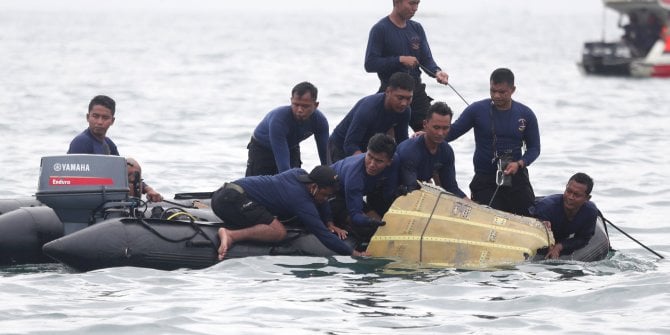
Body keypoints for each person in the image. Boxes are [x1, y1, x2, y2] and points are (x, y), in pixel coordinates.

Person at [212, 165, 367, 260]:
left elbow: (323, 202)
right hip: (229, 201)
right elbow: (322, 234)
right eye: (325, 194)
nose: (326, 199)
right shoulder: (300, 199)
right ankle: (230, 235)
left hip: (226, 193)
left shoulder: (299, 174)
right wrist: (353, 253)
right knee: (278, 231)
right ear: (313, 187)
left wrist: (329, 222)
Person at [446, 68, 540, 216]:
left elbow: (534, 148)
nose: (496, 96)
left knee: (530, 217)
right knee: (487, 217)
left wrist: (520, 163)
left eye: (502, 92)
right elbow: (450, 133)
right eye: (492, 91)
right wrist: (427, 133)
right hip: (485, 179)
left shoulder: (526, 114)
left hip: (515, 176)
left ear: (513, 90)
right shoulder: (476, 110)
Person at [364, 0, 449, 132]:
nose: (415, 8)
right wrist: (399, 60)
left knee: (432, 133)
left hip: (416, 91)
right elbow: (370, 64)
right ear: (396, 2)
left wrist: (437, 72)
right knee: (388, 143)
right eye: (411, 3)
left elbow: (427, 60)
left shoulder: (417, 28)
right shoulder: (380, 29)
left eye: (417, 4)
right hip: (391, 92)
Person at [67, 95, 163, 202]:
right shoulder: (81, 142)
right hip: (88, 199)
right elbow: (74, 181)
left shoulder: (108, 144)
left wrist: (148, 189)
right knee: (131, 164)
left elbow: (124, 173)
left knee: (130, 165)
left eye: (105, 118)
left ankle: (133, 208)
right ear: (87, 117)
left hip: (108, 194)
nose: (99, 122)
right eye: (95, 116)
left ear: (112, 121)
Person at [329, 133, 400, 247]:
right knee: (369, 228)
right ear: (366, 150)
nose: (372, 164)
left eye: (379, 161)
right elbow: (355, 215)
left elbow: (389, 192)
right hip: (333, 195)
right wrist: (369, 221)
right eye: (370, 156)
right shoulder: (355, 176)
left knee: (384, 225)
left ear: (389, 161)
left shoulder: (395, 161)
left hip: (354, 195)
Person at [245, 82, 329, 177]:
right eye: (296, 104)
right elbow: (284, 170)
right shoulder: (279, 119)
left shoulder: (320, 121)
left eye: (305, 106)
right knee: (264, 184)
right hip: (262, 149)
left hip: (291, 146)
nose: (299, 110)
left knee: (296, 182)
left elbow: (326, 158)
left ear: (316, 105)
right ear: (291, 101)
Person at [328, 72, 413, 163]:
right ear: (388, 92)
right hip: (340, 147)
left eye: (408, 98)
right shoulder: (368, 109)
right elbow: (350, 145)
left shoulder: (405, 111)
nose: (404, 103)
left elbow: (402, 142)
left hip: (368, 149)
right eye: (400, 98)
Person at [396, 101, 467, 198]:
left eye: (445, 128)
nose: (440, 133)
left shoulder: (447, 151)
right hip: (397, 194)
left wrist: (475, 207)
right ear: (425, 124)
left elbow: (451, 188)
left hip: (419, 191)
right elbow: (411, 191)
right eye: (436, 127)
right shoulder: (410, 151)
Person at [531, 173, 598, 259]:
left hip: (560, 238)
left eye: (576, 195)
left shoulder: (590, 211)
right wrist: (540, 226)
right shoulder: (547, 207)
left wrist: (560, 246)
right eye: (568, 191)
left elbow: (583, 238)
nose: (570, 197)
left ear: (587, 198)